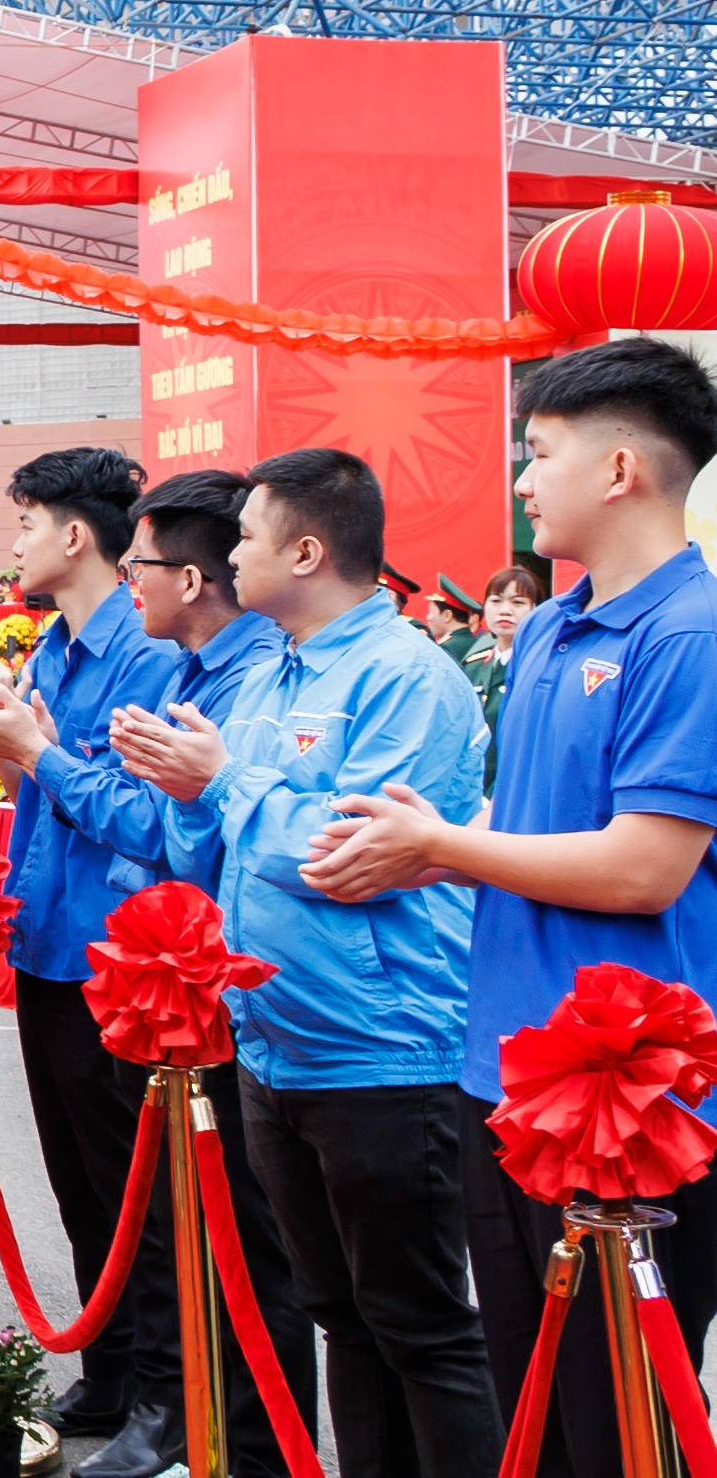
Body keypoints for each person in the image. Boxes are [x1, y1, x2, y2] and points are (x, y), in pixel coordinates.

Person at [304, 338, 717, 1477]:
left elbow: (645, 867)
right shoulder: (545, 630)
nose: (524, 482)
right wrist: (432, 852)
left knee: (616, 1421)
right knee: (527, 1403)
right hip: (510, 1070)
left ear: (622, 468)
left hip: (632, 1100)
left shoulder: (691, 634)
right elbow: (533, 828)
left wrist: (444, 843)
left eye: (538, 454)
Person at [111, 450, 495, 1478]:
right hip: (276, 1047)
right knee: (341, 1316)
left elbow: (348, 857)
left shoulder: (405, 676)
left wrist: (224, 781)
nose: (230, 556)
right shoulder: (272, 668)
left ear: (309, 551)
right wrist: (188, 788)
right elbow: (218, 850)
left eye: (245, 536)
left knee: (419, 1324)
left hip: (381, 1045)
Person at [0, 447, 187, 1465]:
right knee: (81, 1185)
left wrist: (30, 745)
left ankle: (162, 1399)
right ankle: (112, 1373)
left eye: (24, 523)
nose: (14, 542)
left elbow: (143, 821)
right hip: (44, 948)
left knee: (143, 1195)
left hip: (123, 958)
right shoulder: (55, 651)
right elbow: (36, 788)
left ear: (75, 535)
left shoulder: (150, 655)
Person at [461, 564, 543, 794]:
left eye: (518, 603)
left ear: (537, 609)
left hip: (513, 794)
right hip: (469, 793)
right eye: (496, 601)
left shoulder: (541, 669)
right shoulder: (474, 665)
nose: (505, 610)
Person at [428, 575, 483, 663]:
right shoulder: (478, 643)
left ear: (447, 615)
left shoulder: (446, 649)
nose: (428, 618)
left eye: (431, 612)